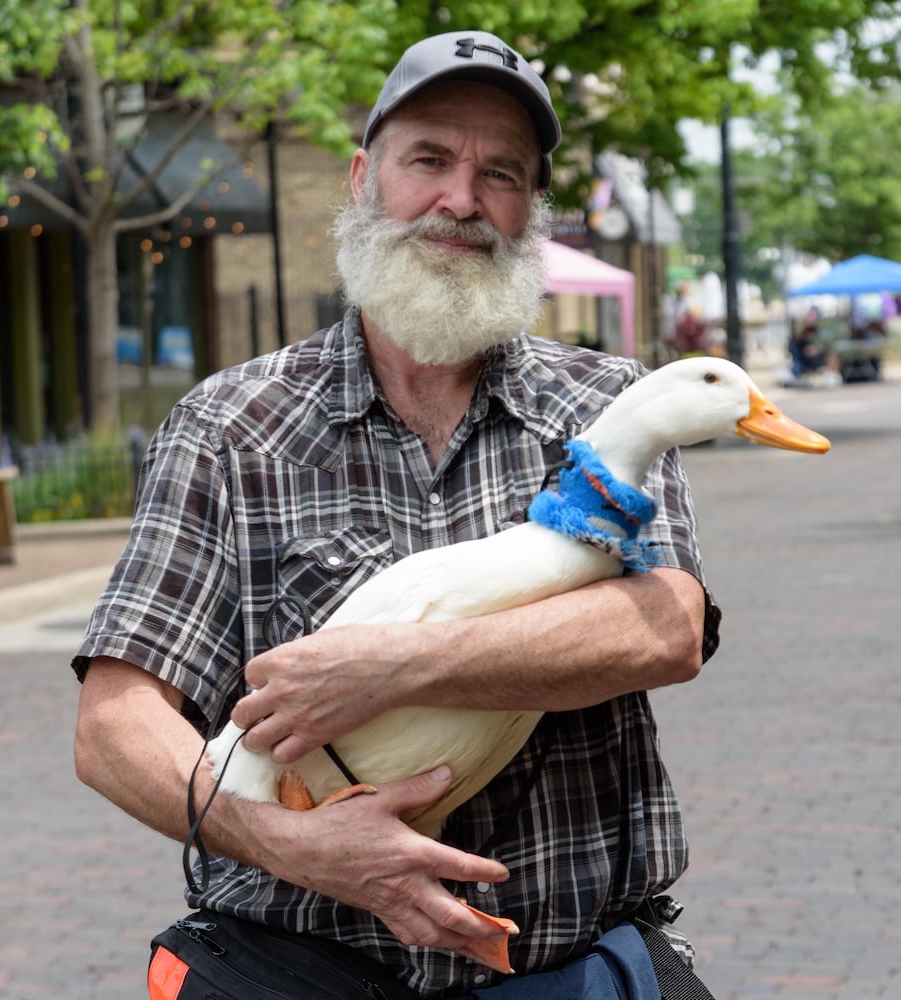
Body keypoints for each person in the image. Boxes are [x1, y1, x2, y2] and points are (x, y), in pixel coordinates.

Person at [73, 28, 719, 1000]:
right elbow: (114, 726)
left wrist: (397, 662)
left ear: (529, 209)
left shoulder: (603, 407)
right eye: (429, 160)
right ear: (362, 176)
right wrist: (298, 844)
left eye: (499, 172)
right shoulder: (230, 429)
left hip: (569, 968)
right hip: (297, 970)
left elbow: (666, 626)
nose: (461, 199)